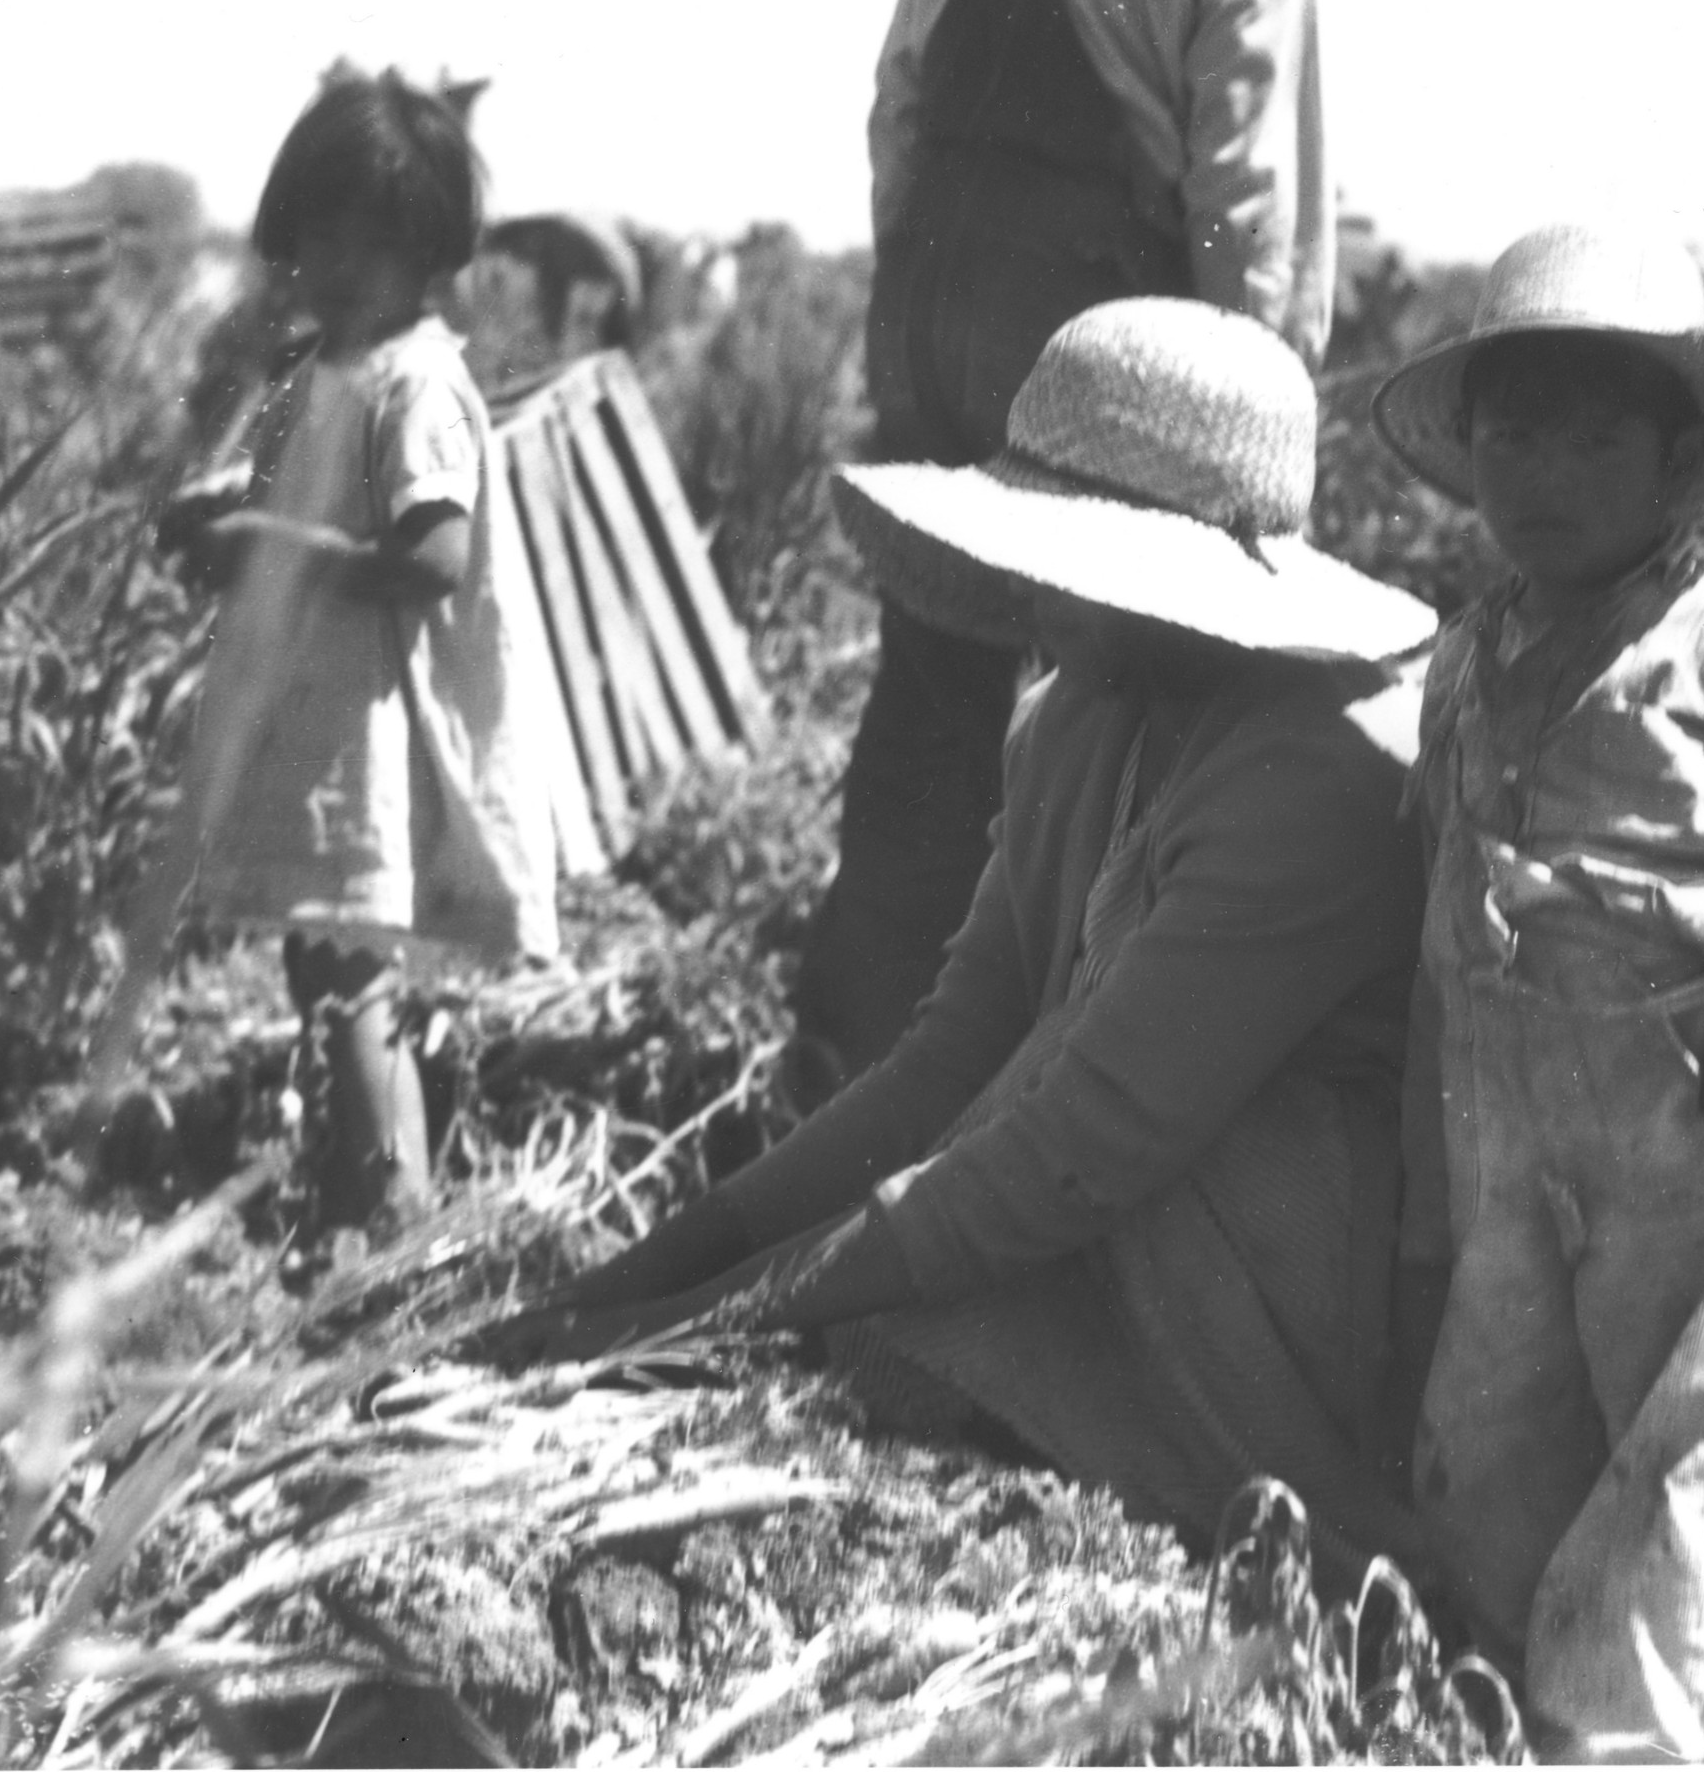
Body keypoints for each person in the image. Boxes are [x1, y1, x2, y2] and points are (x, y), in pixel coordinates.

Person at [475, 299, 1438, 1575]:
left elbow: (1080, 1140)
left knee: (947, 1277)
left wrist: (701, 1319)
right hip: (1096, 1192)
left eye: (1066, 559)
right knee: (910, 1271)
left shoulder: (1320, 773)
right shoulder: (1074, 721)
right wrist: (659, 1265)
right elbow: (949, 1059)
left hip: (1270, 1270)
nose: (1027, 590)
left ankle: (1249, 1512)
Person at [795, 0, 1480, 1077]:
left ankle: (854, 1055)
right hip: (1102, 337)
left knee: (932, 691)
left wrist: (917, 297)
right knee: (1114, 718)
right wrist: (1252, 445)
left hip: (937, 298)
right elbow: (1252, 198)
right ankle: (1049, 1073)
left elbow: (903, 84)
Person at [1369, 223, 1704, 1761]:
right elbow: (1438, 837)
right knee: (1502, 1362)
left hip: (1678, 1081)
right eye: (1513, 432)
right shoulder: (1473, 649)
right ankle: (1502, 1640)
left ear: (1673, 459)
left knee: (1684, 1398)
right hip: (1501, 1072)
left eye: (1594, 434)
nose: (1544, 469)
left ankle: (1642, 1717)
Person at [159, 71, 561, 1232]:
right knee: (325, 976)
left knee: (351, 985)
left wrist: (270, 540)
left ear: (427, 248)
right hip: (317, 726)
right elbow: (309, 505)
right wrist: (229, 520)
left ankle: (388, 1224)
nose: (338, 263)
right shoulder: (322, 370)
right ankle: (358, 1206)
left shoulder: (417, 382)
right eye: (320, 235)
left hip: (370, 738)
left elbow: (431, 560)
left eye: (371, 242)